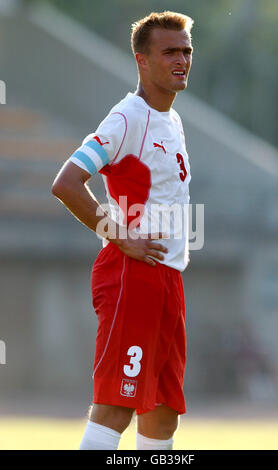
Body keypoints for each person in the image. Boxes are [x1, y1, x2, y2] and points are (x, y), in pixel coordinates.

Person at [51, 10, 193, 451]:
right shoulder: (128, 117)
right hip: (134, 274)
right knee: (117, 404)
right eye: (169, 51)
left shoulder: (172, 119)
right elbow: (66, 183)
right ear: (141, 60)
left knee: (163, 415)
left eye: (187, 51)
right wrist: (119, 235)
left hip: (167, 276)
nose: (182, 60)